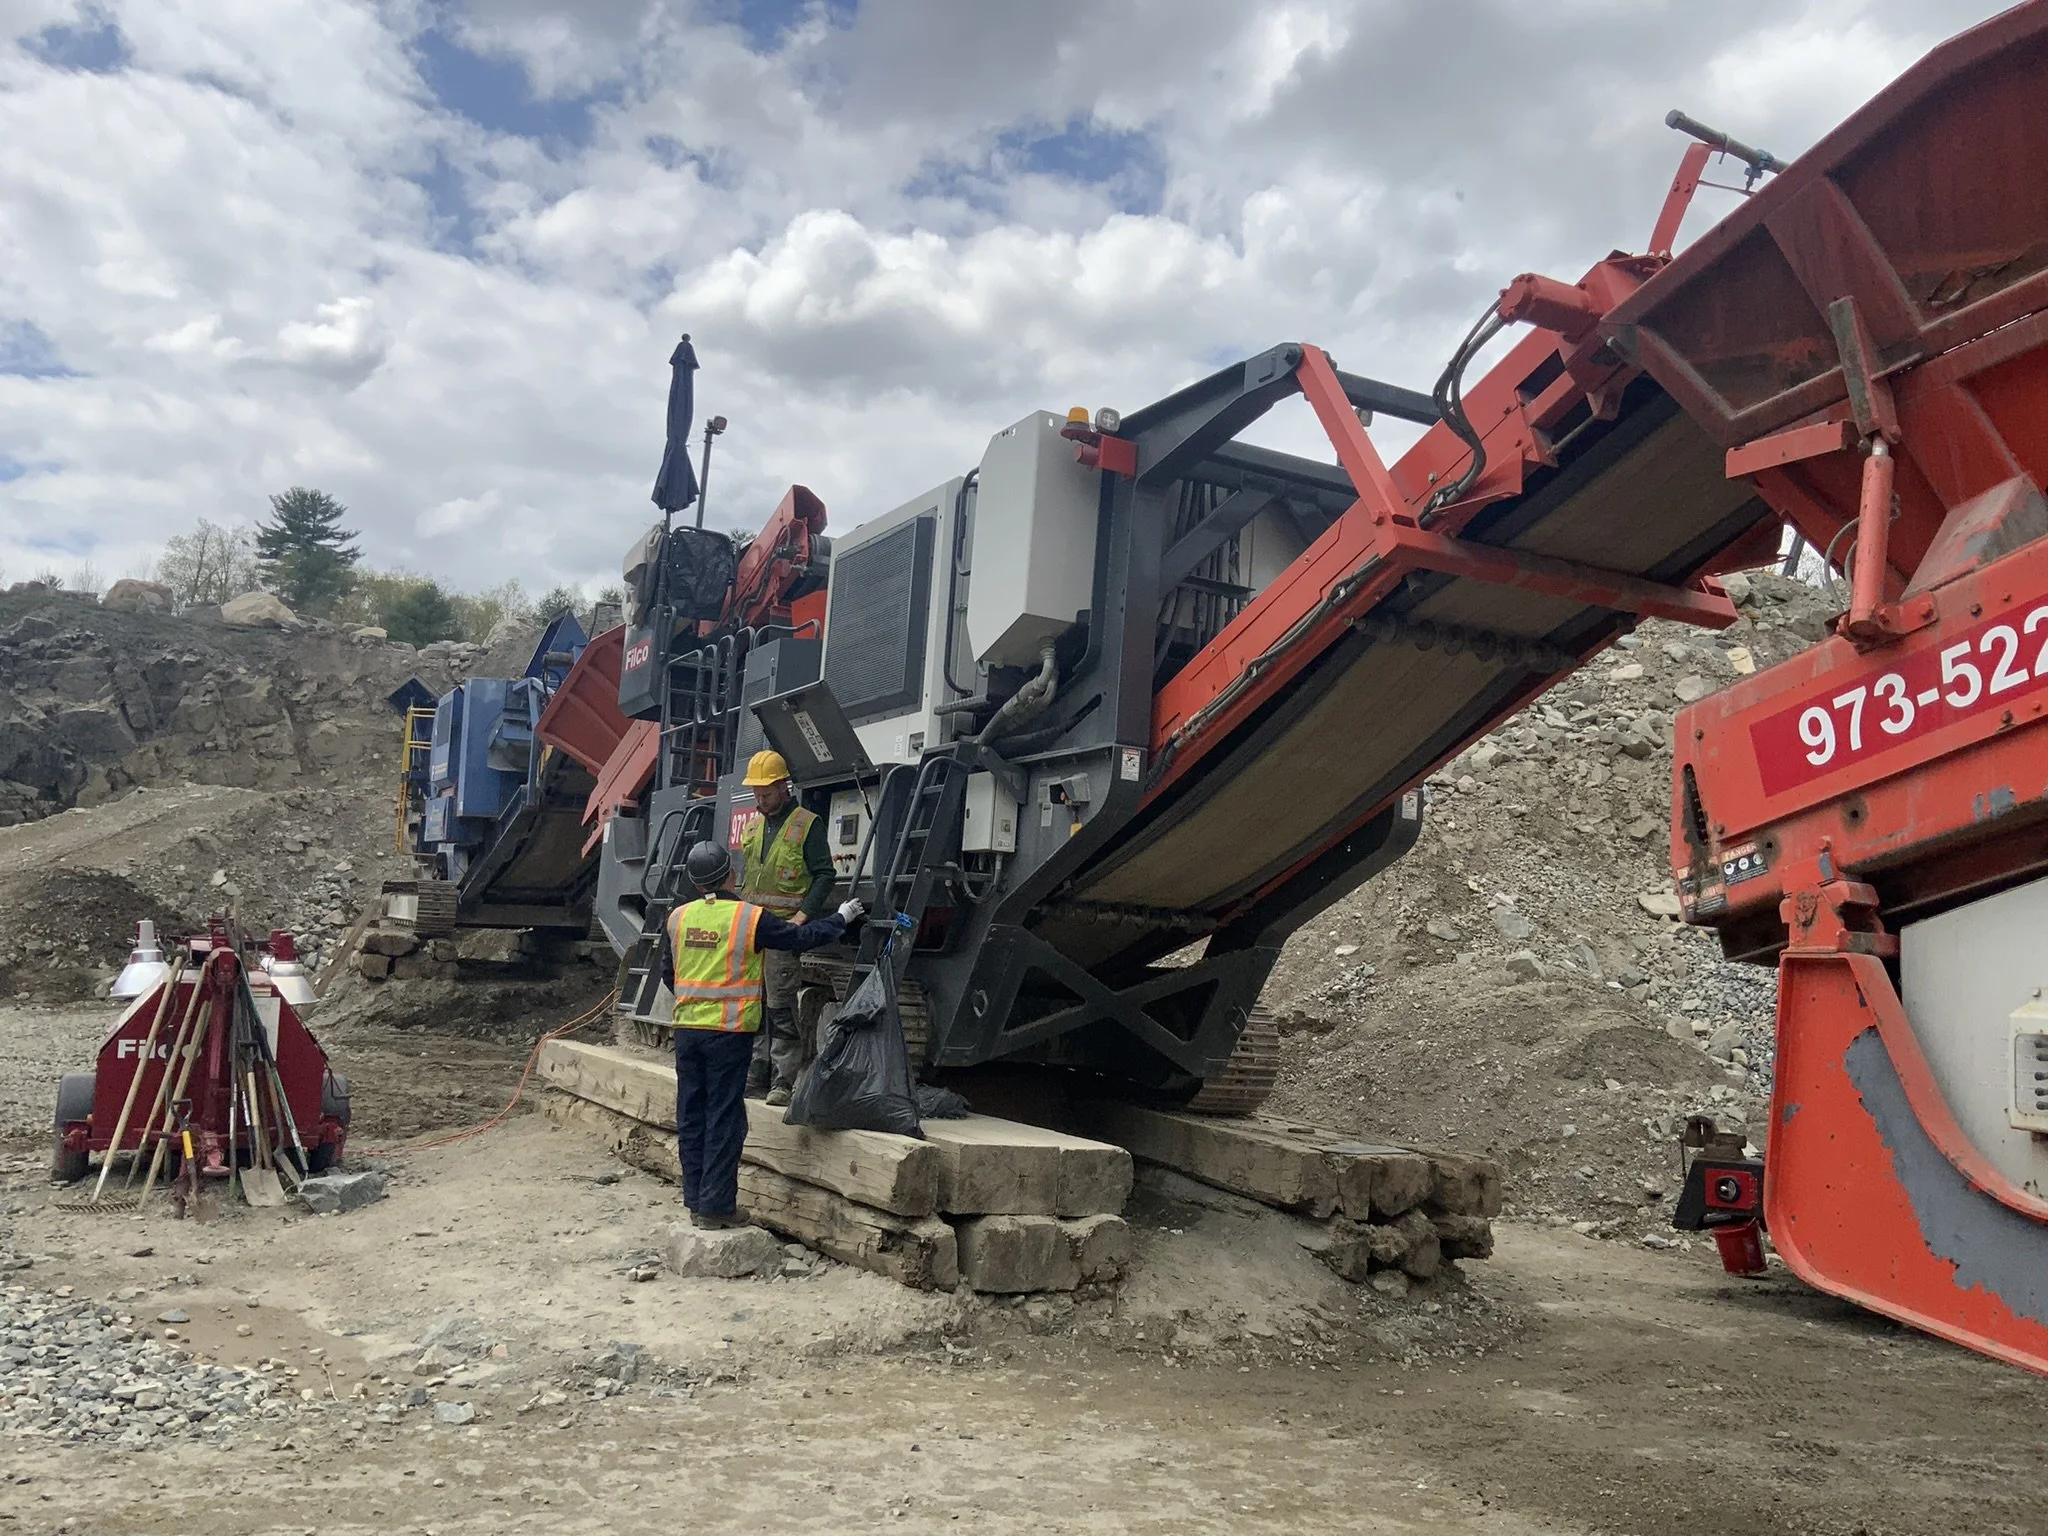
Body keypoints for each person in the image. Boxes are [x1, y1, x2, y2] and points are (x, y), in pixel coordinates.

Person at [652, 839, 863, 1230]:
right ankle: (715, 1207)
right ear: (731, 874)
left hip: (687, 1032)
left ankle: (697, 1201)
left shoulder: (678, 918)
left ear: (697, 882)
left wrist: (694, 1000)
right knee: (724, 1118)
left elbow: (670, 973)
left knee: (691, 1114)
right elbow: (799, 938)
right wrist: (842, 918)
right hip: (729, 1034)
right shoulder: (748, 918)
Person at [734, 750, 836, 1106]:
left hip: (781, 931)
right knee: (754, 1003)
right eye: (756, 795)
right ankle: (756, 1068)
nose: (759, 800)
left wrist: (802, 917)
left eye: (766, 794)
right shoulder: (753, 827)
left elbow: (825, 874)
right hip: (752, 931)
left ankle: (783, 1078)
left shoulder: (807, 825)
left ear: (783, 786)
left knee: (780, 1006)